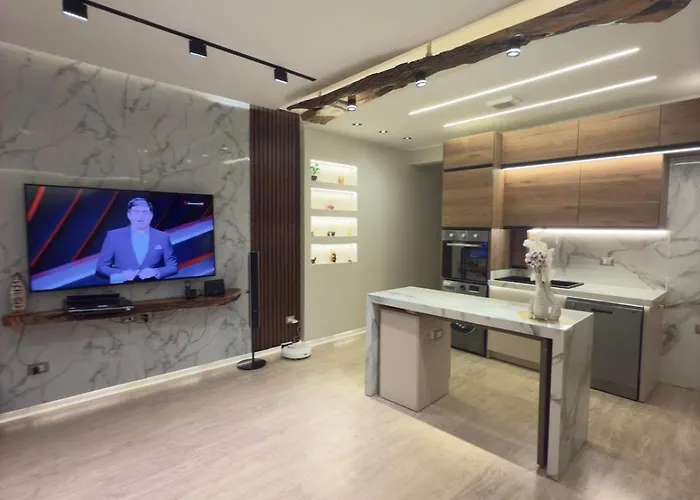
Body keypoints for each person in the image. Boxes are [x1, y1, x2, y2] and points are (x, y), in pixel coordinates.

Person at [96, 197, 178, 284]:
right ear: (129, 215)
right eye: (136, 212)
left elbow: (173, 267)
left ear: (151, 216)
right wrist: (122, 274)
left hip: (154, 287)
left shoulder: (163, 237)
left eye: (145, 212)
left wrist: (155, 272)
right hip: (121, 288)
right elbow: (101, 268)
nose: (140, 216)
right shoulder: (113, 236)